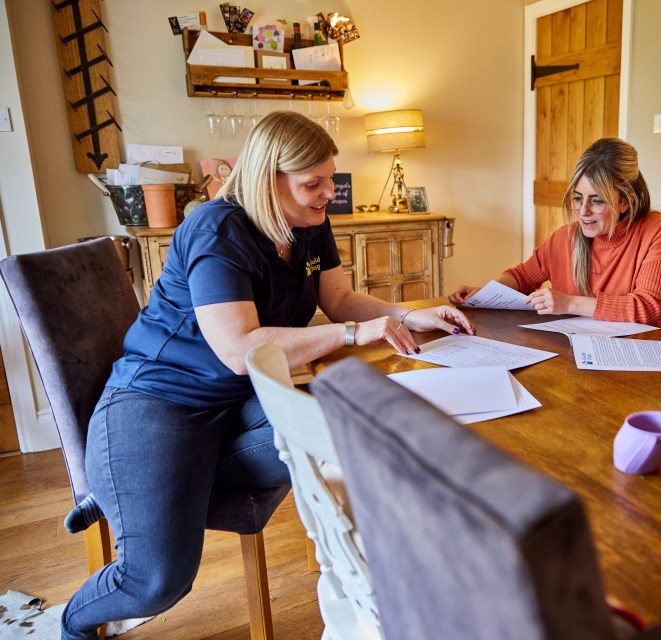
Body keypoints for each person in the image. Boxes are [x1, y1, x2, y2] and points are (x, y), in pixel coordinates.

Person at [59, 111, 473, 640]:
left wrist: (410, 315)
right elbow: (239, 349)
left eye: (329, 179)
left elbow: (340, 299)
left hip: (237, 402)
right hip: (161, 401)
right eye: (312, 184)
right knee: (156, 582)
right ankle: (74, 617)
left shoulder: (308, 223)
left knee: (346, 426)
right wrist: (352, 336)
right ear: (267, 178)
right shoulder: (217, 228)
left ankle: (145, 487)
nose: (329, 194)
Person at [449, 137, 661, 335]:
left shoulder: (658, 230)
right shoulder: (566, 237)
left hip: (655, 353)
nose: (583, 212)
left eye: (597, 201)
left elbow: (647, 308)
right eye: (578, 198)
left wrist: (570, 303)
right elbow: (521, 277)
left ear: (625, 202)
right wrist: (486, 294)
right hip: (590, 350)